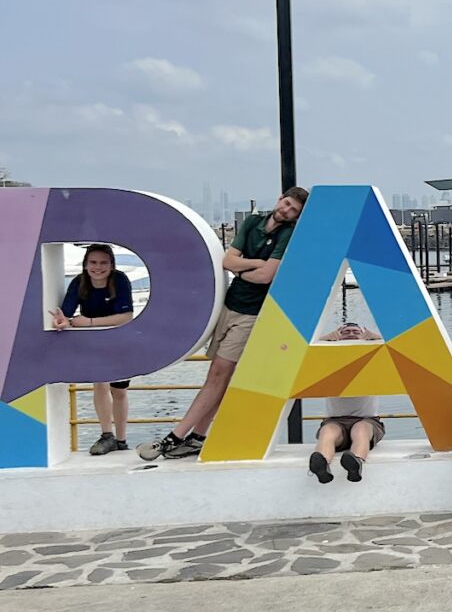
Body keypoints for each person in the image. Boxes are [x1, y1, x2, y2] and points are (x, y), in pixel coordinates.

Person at [138, 188, 309, 461]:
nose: (287, 210)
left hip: (252, 314)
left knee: (219, 375)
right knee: (217, 378)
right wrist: (252, 264)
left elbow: (265, 277)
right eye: (287, 204)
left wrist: (242, 268)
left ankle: (175, 437)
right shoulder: (253, 222)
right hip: (229, 306)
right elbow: (228, 261)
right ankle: (198, 436)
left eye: (294, 211)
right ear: (280, 199)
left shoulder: (287, 235)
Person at [51, 244, 135, 455]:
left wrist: (88, 321)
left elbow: (126, 317)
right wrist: (63, 322)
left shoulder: (120, 280)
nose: (98, 267)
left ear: (111, 265)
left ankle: (121, 439)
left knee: (119, 390)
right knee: (100, 383)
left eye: (103, 263)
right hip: (95, 342)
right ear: (86, 265)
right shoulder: (79, 282)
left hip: (119, 340)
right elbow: (67, 313)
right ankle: (107, 434)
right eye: (93, 263)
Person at [307, 322, 386, 484]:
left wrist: (375, 337)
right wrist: (324, 338)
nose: (350, 333)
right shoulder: (329, 365)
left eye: (355, 331)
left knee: (360, 430)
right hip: (336, 420)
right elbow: (301, 349)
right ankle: (322, 465)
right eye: (346, 331)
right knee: (327, 432)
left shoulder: (373, 362)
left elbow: (396, 345)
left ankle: (355, 463)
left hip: (366, 420)